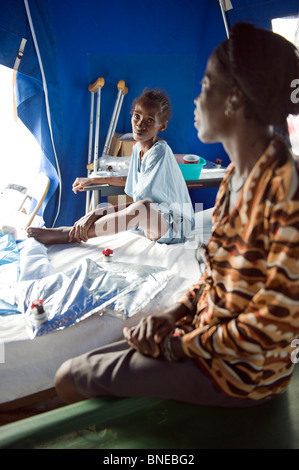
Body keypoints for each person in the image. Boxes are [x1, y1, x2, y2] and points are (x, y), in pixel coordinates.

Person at [55, 22, 299, 407]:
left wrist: (178, 346)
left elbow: (272, 325)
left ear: (234, 99)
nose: (196, 101)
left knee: (72, 377)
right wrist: (173, 313)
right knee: (89, 362)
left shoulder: (285, 190)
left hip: (243, 373)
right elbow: (218, 275)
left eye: (205, 87)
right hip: (207, 335)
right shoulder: (238, 175)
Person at [27, 89, 194, 245]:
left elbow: (144, 202)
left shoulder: (160, 151)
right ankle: (73, 232)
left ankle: (71, 234)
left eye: (150, 120)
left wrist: (95, 213)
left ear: (162, 126)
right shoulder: (138, 148)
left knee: (142, 208)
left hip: (176, 226)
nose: (140, 124)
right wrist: (93, 180)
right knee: (140, 209)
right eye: (137, 116)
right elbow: (132, 180)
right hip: (156, 222)